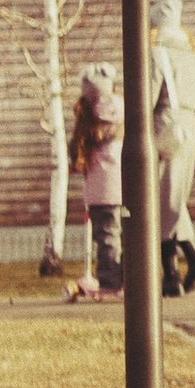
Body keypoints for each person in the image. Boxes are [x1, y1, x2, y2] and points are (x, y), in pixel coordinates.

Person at [149, 0, 195, 297]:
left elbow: (148, 97)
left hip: (166, 127)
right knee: (171, 200)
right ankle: (192, 258)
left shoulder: (158, 55)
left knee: (162, 202)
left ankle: (171, 275)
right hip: (192, 130)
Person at [67, 62, 124, 300]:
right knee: (118, 234)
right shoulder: (122, 114)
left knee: (106, 236)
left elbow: (77, 151)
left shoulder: (90, 120)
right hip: (122, 186)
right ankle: (122, 277)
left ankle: (110, 281)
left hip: (102, 190)